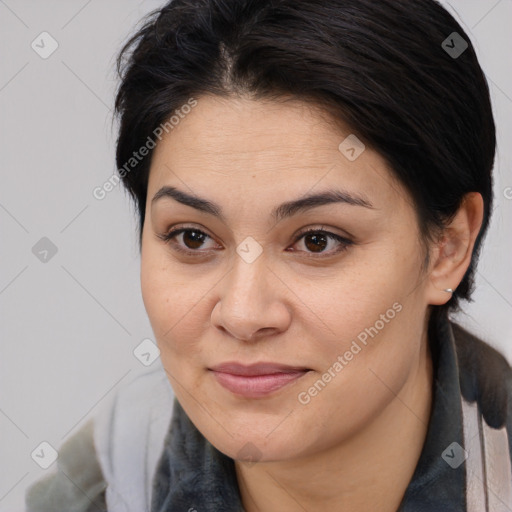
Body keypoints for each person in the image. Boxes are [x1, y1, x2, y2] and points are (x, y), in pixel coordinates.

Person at [25, 0, 512, 511]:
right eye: (192, 237)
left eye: (317, 241)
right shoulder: (105, 479)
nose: (243, 314)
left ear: (448, 247)